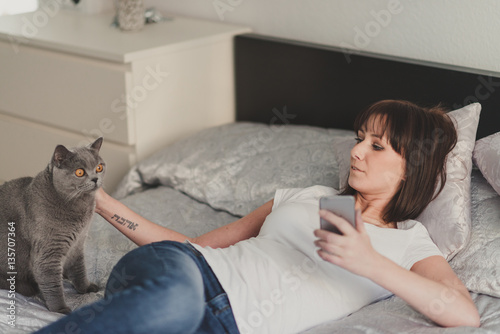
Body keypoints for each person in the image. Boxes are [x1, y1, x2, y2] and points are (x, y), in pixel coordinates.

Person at [36, 100, 480, 334]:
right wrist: (100, 201)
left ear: (412, 165)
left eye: (377, 146)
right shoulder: (312, 196)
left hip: (225, 326)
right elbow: (193, 247)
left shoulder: (411, 243)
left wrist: (369, 262)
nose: (356, 151)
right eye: (360, 138)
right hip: (189, 272)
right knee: (173, 304)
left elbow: (464, 313)